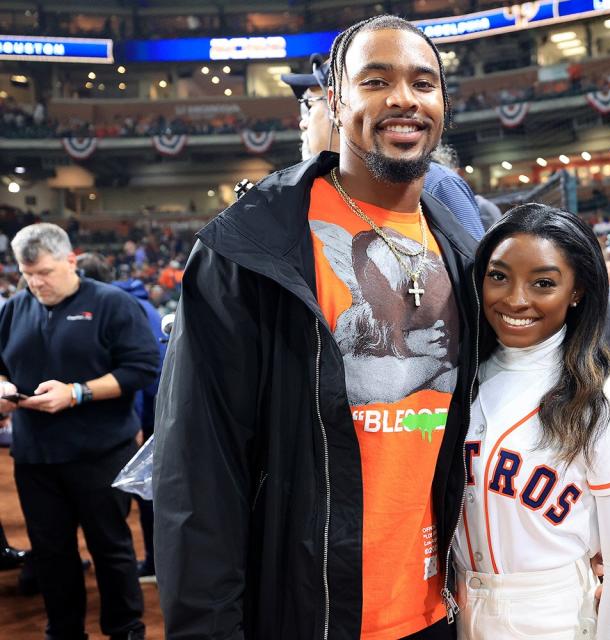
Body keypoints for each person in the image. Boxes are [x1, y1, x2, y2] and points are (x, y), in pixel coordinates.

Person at [154, 15, 479, 639]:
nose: (403, 98)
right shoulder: (250, 247)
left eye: (423, 82)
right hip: (305, 612)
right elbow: (199, 468)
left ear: (441, 103)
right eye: (375, 80)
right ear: (335, 101)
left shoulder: (465, 252)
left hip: (439, 612)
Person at [454, 203, 610, 639]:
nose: (515, 299)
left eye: (544, 283)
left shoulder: (609, 400)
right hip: (454, 607)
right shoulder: (455, 382)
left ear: (577, 291)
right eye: (498, 276)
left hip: (555, 614)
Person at [0, 223, 158, 640]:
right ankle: (64, 632)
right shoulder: (15, 307)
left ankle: (125, 631)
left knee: (111, 549)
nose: (36, 282)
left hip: (99, 453)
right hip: (35, 456)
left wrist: (77, 393)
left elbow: (143, 368)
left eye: (45, 273)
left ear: (71, 260)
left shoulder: (112, 303)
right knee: (51, 554)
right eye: (27, 273)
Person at [282, 53, 485, 241]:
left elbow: (475, 275)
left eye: (308, 105)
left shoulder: (437, 184)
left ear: (336, 107)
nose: (303, 122)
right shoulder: (330, 194)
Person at [76, 252, 166, 583]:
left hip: (144, 411)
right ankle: (157, 562)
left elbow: (140, 372)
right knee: (151, 489)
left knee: (143, 491)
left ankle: (155, 564)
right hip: (156, 406)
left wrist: (137, 426)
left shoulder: (117, 307)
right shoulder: (135, 301)